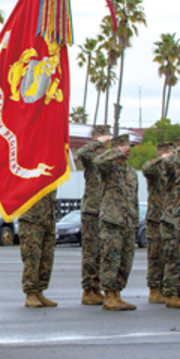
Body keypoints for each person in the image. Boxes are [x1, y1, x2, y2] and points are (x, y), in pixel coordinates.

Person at [94, 134, 139, 311]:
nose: (128, 149)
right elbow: (97, 162)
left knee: (125, 260)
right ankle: (109, 295)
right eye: (125, 146)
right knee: (110, 259)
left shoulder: (131, 172)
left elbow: (133, 198)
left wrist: (134, 219)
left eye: (129, 146)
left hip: (127, 222)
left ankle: (118, 294)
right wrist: (114, 152)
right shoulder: (108, 167)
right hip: (112, 220)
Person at [75, 125, 111, 305]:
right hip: (92, 209)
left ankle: (97, 287)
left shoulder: (106, 158)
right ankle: (88, 289)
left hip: (105, 210)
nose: (106, 140)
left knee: (102, 252)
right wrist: (96, 142)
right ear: (96, 136)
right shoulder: (90, 156)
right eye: (103, 136)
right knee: (91, 250)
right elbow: (80, 153)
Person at [140, 142, 173, 304]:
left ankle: (170, 289)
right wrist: (162, 160)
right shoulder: (155, 171)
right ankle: (155, 290)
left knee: (172, 256)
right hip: (156, 219)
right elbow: (146, 168)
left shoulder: (173, 172)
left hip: (172, 219)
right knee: (156, 255)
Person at [18, 192, 58, 308]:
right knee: (32, 257)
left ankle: (40, 290)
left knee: (47, 257)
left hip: (48, 217)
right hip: (31, 217)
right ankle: (30, 292)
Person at [160, 138, 180, 309]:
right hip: (173, 218)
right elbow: (164, 166)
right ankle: (171, 293)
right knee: (174, 257)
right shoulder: (171, 164)